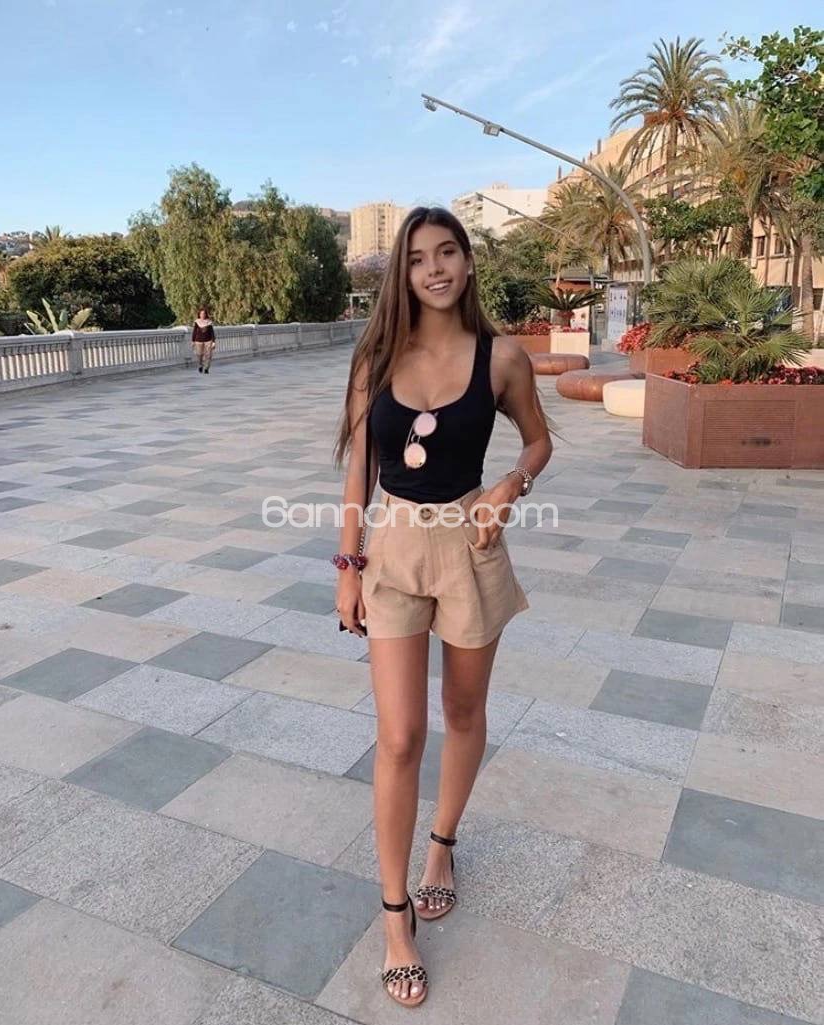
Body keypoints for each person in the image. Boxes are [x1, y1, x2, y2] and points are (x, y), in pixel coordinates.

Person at [332, 207, 553, 1008]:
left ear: (467, 261)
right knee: (399, 734)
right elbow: (360, 469)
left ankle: (442, 844)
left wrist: (511, 485)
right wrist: (348, 565)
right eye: (419, 257)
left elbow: (538, 440)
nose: (435, 268)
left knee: (463, 711)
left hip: (470, 545)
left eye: (448, 252)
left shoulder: (503, 358)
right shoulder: (376, 355)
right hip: (392, 550)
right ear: (403, 270)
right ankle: (396, 920)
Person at [192, 306, 216, 373]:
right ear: (199, 314)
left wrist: (213, 342)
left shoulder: (209, 322)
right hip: (198, 341)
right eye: (201, 314)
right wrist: (193, 341)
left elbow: (212, 332)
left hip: (208, 341)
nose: (202, 315)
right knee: (199, 355)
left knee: (208, 355)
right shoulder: (197, 322)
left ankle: (206, 368)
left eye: (204, 314)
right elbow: (194, 331)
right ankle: (200, 365)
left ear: (206, 314)